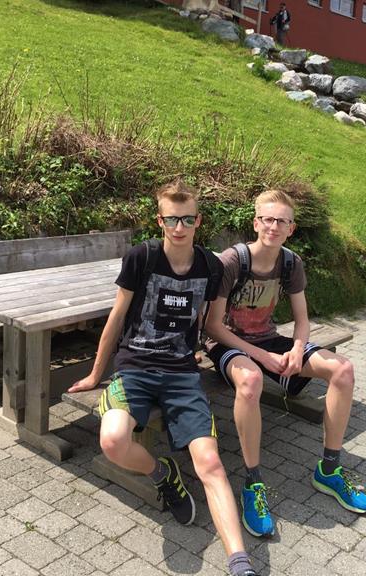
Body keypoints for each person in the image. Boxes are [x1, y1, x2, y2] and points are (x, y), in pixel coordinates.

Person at [68, 181, 260, 576]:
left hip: (182, 374)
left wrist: (214, 353)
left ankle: (240, 563)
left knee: (211, 463)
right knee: (112, 441)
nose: (179, 227)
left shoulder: (210, 266)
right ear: (160, 221)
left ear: (198, 220)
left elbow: (207, 320)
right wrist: (94, 374)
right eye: (171, 220)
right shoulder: (141, 257)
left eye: (187, 219)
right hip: (135, 367)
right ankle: (163, 474)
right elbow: (116, 318)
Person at [204, 189, 366, 538]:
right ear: (255, 223)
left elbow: (302, 318)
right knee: (251, 381)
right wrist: (262, 357)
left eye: (282, 221)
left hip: (269, 339)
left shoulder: (291, 263)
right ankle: (253, 483)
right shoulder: (232, 261)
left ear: (291, 229)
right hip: (228, 343)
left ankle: (329, 469)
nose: (274, 226)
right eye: (268, 219)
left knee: (342, 370)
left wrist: (297, 349)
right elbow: (213, 326)